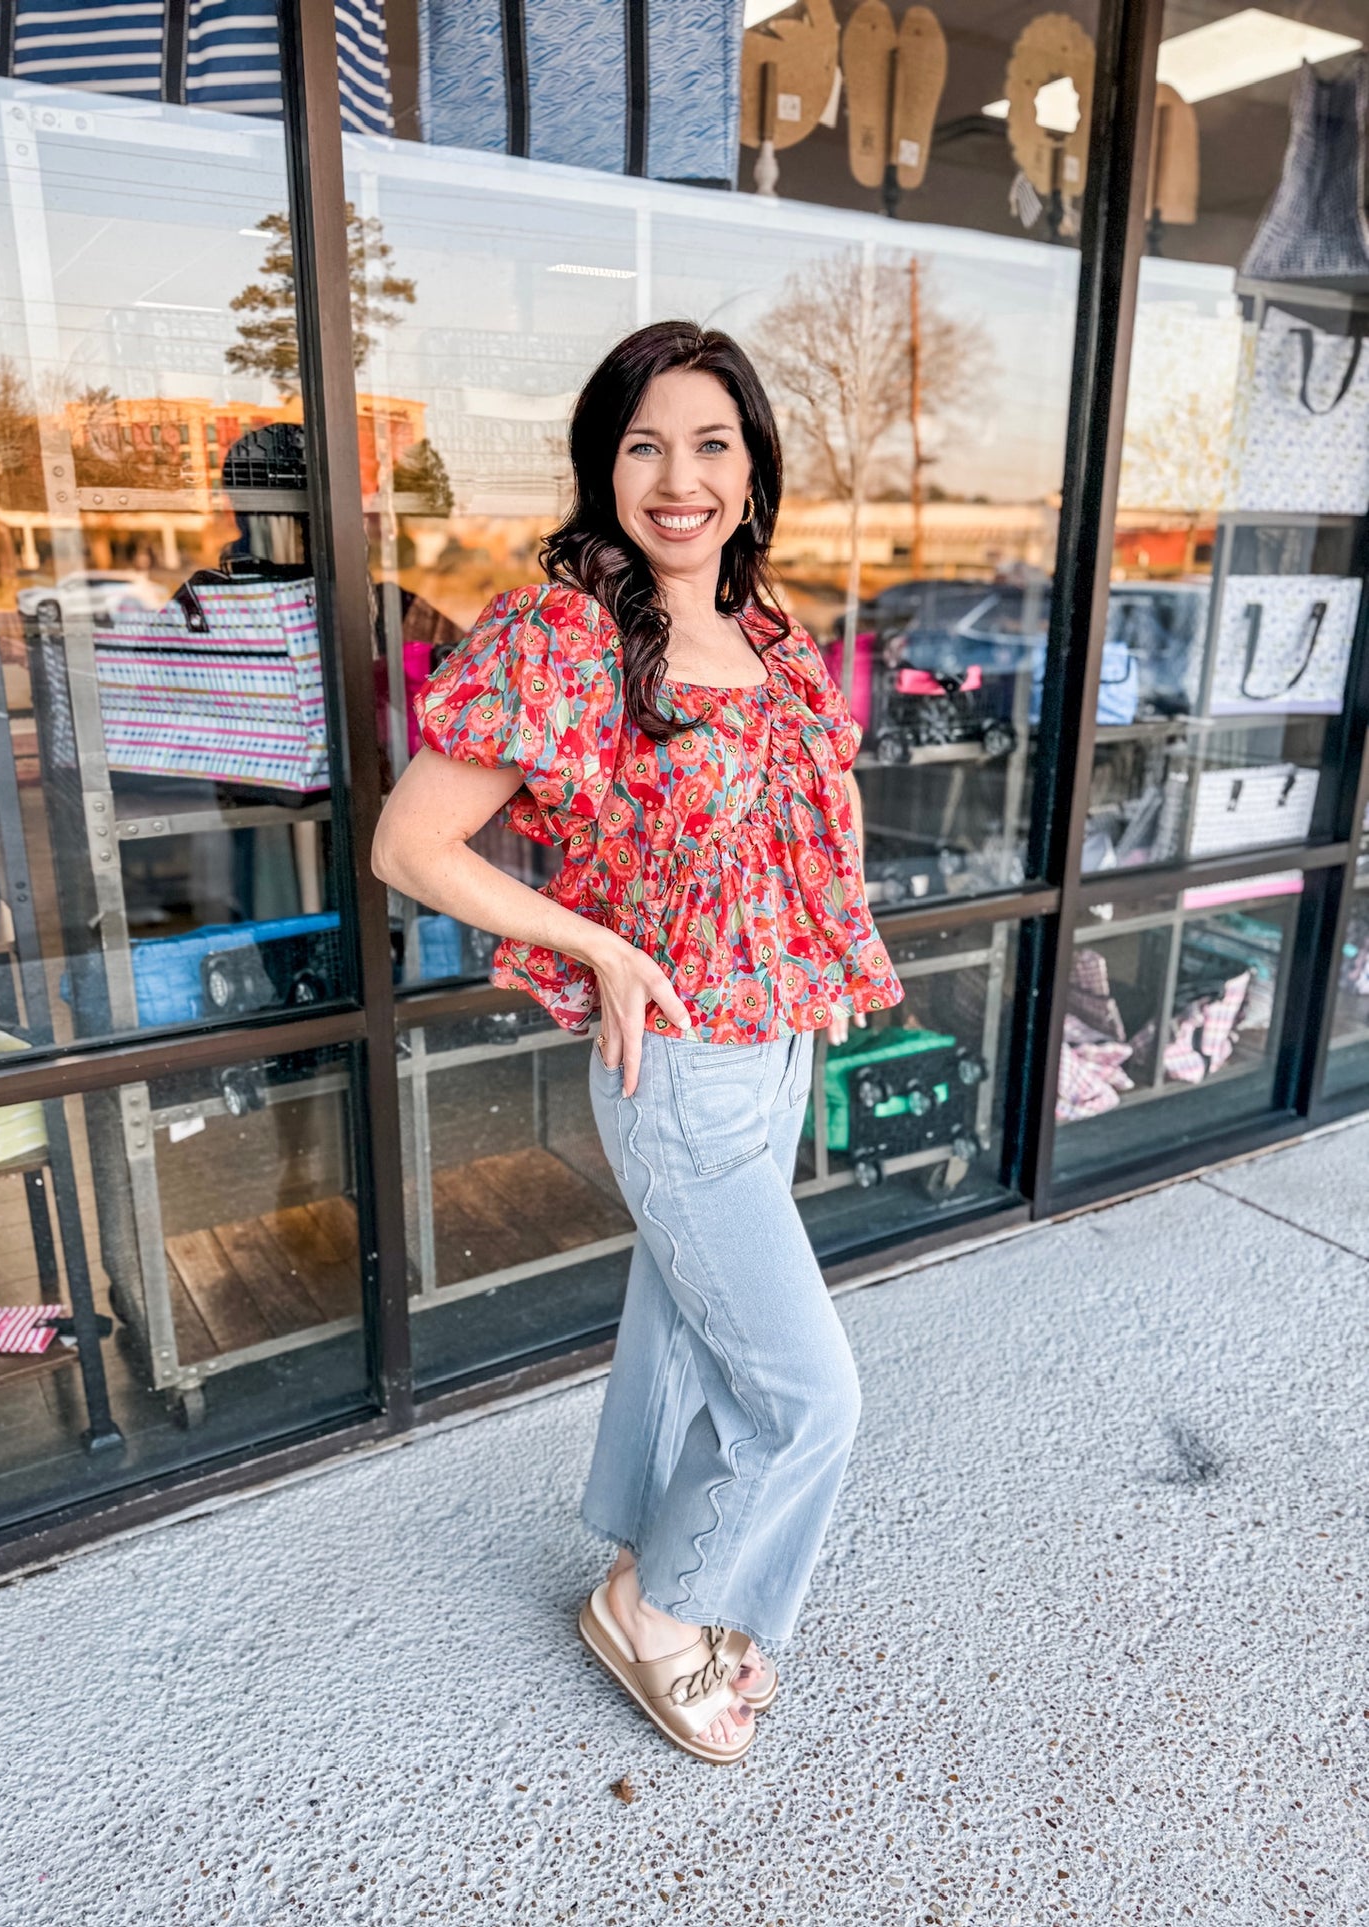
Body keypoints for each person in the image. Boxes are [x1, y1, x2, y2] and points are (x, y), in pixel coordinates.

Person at [371, 320, 904, 1764]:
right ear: (602, 464)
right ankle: (653, 1605)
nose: (679, 478)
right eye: (644, 444)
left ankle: (652, 1561)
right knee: (806, 1398)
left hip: (771, 1043)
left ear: (751, 466)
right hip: (670, 1062)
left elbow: (805, 823)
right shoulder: (565, 633)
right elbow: (412, 845)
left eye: (711, 443)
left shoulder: (766, 631)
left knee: (688, 1331)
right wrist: (596, 944)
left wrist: (832, 951)